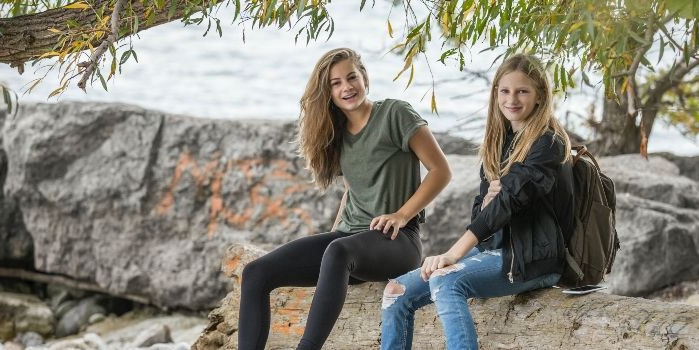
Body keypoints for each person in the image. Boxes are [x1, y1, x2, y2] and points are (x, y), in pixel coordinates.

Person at [237, 48, 452, 350]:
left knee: (337, 251)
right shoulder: (338, 133)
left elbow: (441, 171)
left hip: (398, 240)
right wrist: (333, 234)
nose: (346, 87)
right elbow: (353, 189)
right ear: (328, 93)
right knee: (256, 272)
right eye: (335, 83)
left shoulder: (395, 114)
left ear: (364, 77)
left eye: (351, 77)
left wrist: (402, 215)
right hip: (349, 244)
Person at [380, 53, 574, 350]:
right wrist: (488, 204)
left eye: (522, 91)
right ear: (496, 93)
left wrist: (453, 254)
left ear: (540, 96)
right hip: (494, 251)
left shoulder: (548, 143)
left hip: (532, 260)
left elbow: (507, 201)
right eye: (505, 91)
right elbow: (483, 208)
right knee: (396, 291)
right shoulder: (498, 142)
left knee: (446, 281)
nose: (512, 99)